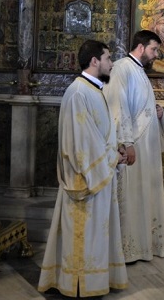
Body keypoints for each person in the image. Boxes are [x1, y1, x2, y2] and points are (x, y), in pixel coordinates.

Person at [38, 40, 128, 297]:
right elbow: (82, 143)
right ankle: (79, 284)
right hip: (86, 179)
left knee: (96, 235)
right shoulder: (79, 92)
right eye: (108, 58)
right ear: (94, 61)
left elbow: (99, 133)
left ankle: (92, 282)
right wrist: (112, 157)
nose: (112, 63)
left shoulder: (94, 89)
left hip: (99, 174)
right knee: (83, 235)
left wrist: (117, 147)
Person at [103, 30, 164, 263]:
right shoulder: (122, 69)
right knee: (131, 196)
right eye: (154, 49)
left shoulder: (138, 70)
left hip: (146, 148)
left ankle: (144, 244)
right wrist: (126, 143)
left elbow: (142, 107)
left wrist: (159, 112)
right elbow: (117, 108)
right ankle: (128, 249)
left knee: (144, 194)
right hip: (133, 147)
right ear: (141, 47)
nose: (156, 54)